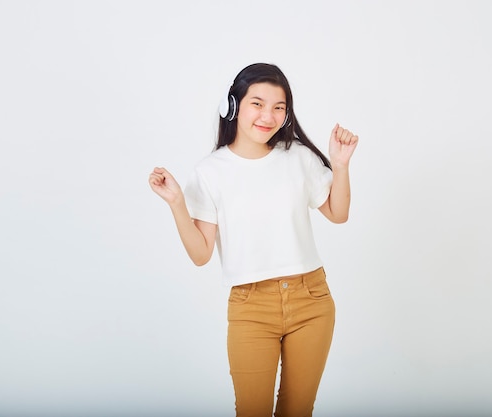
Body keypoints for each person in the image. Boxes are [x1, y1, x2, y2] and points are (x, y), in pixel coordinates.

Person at [148, 63, 358, 417]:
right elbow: (201, 254)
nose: (269, 116)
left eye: (279, 107)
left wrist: (340, 165)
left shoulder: (299, 158)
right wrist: (177, 203)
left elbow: (338, 213)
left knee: (298, 411)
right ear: (233, 107)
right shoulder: (210, 172)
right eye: (257, 104)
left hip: (311, 299)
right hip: (251, 306)